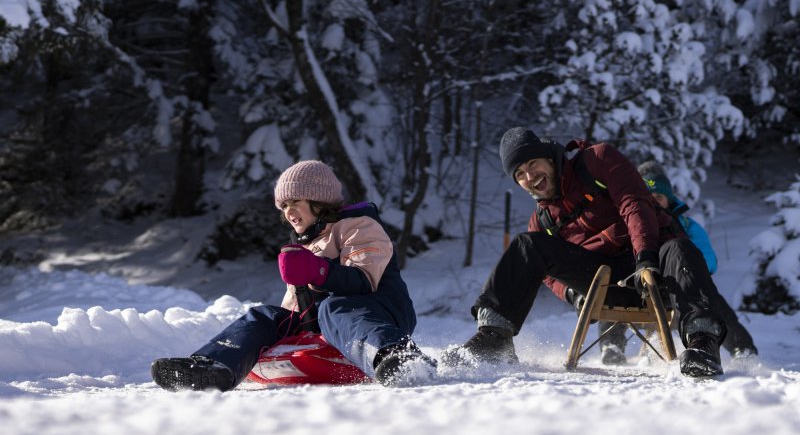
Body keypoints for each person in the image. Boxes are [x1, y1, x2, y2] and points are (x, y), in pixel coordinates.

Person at [442, 127, 728, 378]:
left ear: (549, 157)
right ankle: (494, 337)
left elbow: (634, 203)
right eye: (520, 174)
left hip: (657, 268)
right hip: (607, 283)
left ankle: (702, 343)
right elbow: (548, 276)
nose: (530, 176)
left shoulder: (598, 160)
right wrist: (570, 293)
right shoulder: (542, 220)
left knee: (680, 247)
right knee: (527, 245)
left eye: (532, 163)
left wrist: (645, 258)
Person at [151, 160, 435, 390]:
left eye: (295, 201)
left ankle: (396, 356)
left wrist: (318, 270)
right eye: (283, 206)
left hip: (380, 311)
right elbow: (298, 311)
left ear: (318, 200)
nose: (288, 211)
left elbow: (363, 280)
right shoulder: (305, 245)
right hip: (326, 322)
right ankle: (214, 366)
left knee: (334, 306)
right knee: (265, 315)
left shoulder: (359, 226)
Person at [596, 161, 758, 364]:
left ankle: (742, 349)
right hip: (635, 285)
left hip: (674, 286)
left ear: (668, 199)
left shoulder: (687, 225)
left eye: (659, 197)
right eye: (649, 196)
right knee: (614, 281)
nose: (653, 201)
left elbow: (709, 260)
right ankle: (612, 345)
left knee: (711, 297)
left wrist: (689, 265)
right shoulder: (629, 221)